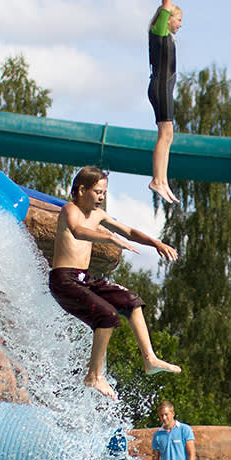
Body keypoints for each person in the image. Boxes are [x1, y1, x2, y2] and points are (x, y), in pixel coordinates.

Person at [49, 167, 181, 399]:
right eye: (97, 192)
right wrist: (109, 237)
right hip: (64, 280)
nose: (101, 197)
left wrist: (156, 243)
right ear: (81, 190)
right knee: (107, 315)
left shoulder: (98, 215)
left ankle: (149, 359)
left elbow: (128, 231)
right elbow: (78, 231)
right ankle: (93, 376)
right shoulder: (70, 210)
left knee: (132, 301)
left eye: (104, 193)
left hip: (83, 279)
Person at [147, 0, 183, 205]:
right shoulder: (159, 31)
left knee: (168, 133)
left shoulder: (166, 36)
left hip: (164, 87)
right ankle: (157, 180)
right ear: (168, 19)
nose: (180, 24)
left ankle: (162, 179)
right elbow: (167, 0)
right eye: (178, 20)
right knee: (165, 132)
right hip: (160, 86)